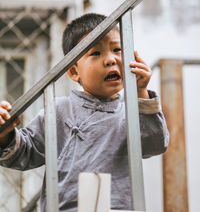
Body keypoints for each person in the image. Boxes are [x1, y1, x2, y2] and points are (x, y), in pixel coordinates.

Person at [0, 13, 169, 211]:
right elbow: (25, 152)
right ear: (73, 72)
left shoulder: (132, 114)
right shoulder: (59, 110)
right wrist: (5, 136)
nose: (110, 60)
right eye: (95, 53)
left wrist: (141, 92)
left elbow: (154, 144)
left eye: (117, 49)